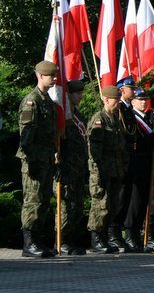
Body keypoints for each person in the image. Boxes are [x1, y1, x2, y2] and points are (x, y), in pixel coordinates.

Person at [16, 60, 59, 258]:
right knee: (32, 200)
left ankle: (38, 239)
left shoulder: (46, 101)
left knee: (43, 201)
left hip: (46, 159)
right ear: (41, 76)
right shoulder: (31, 101)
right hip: (34, 160)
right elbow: (26, 134)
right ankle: (29, 242)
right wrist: (30, 159)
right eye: (51, 76)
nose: (54, 80)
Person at [86, 85, 127, 254]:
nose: (117, 103)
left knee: (112, 205)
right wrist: (98, 172)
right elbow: (94, 153)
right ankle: (96, 239)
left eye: (119, 100)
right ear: (106, 99)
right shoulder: (99, 120)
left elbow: (121, 147)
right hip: (102, 171)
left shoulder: (115, 120)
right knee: (100, 205)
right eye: (115, 100)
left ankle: (104, 238)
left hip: (115, 170)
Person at [123, 88, 154, 252]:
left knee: (144, 200)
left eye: (145, 99)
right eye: (140, 99)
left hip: (147, 163)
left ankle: (137, 234)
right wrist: (152, 139)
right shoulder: (130, 118)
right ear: (133, 101)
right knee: (135, 201)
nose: (144, 102)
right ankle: (130, 234)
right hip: (136, 162)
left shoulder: (150, 118)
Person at [57, 79, 88, 255]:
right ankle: (61, 240)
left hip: (78, 167)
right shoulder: (65, 118)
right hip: (66, 167)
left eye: (81, 92)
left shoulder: (78, 116)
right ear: (68, 94)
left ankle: (71, 240)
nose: (80, 96)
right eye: (76, 93)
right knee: (66, 206)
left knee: (76, 205)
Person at [111, 76, 137, 251]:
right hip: (120, 159)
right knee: (118, 197)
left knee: (126, 196)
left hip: (129, 158)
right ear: (122, 90)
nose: (133, 91)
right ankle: (113, 233)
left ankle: (119, 233)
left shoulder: (128, 109)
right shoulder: (119, 110)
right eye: (131, 88)